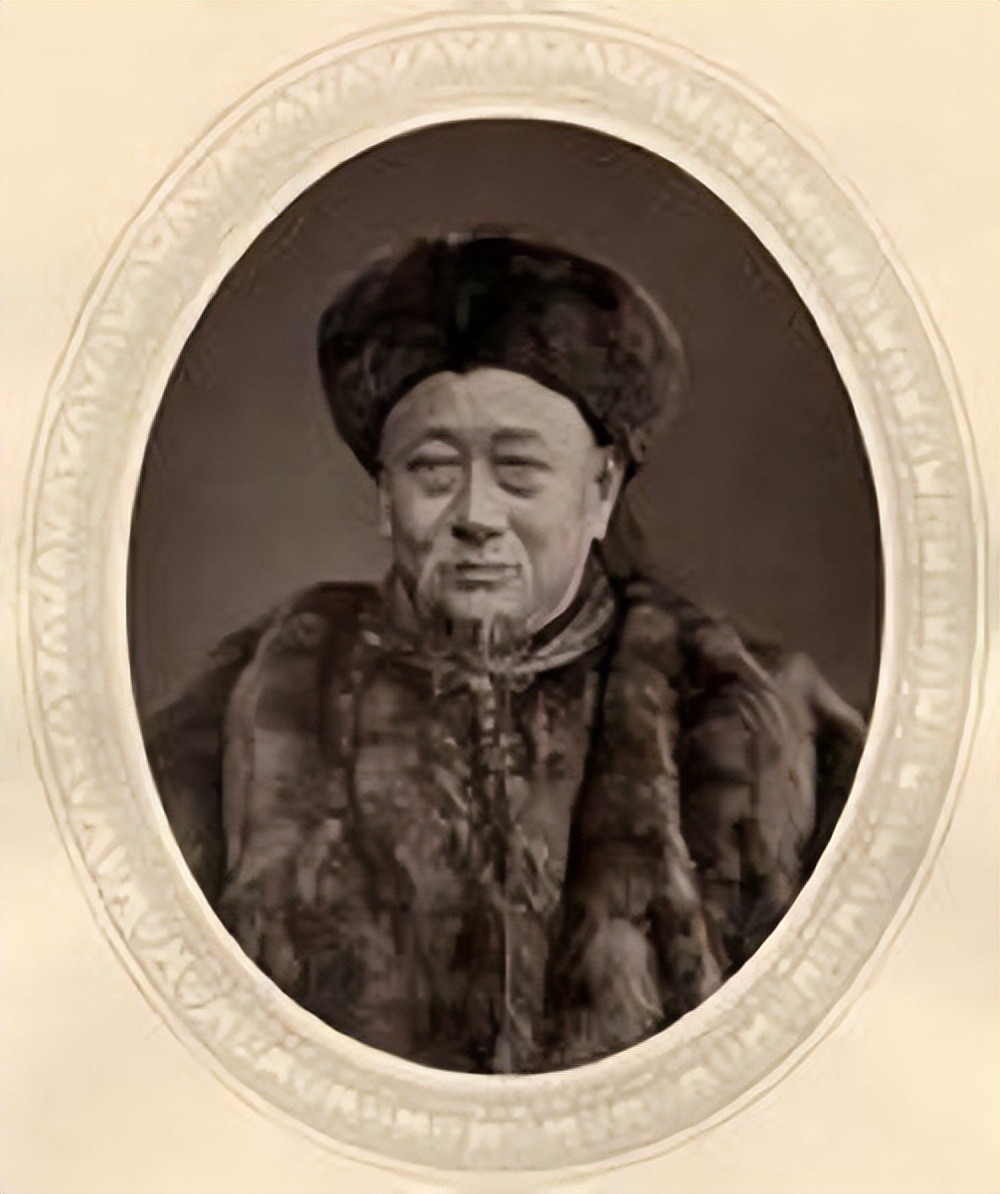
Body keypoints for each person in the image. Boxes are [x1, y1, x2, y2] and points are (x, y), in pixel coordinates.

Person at [143, 234, 866, 1074]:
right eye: (432, 471)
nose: (475, 515)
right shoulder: (258, 706)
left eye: (519, 471)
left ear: (601, 490)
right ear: (384, 497)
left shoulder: (757, 721)